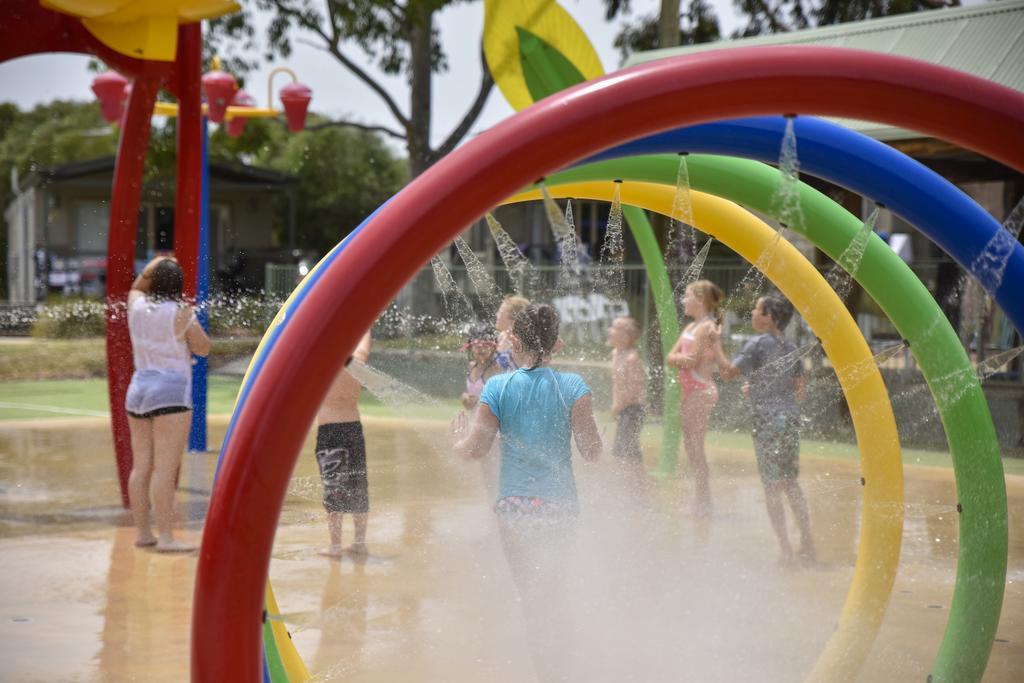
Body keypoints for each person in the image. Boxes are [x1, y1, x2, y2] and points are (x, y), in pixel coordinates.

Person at [448, 303, 602, 682]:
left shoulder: (498, 386)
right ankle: (559, 672)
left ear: (513, 340)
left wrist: (456, 443)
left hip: (514, 507)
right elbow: (592, 452)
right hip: (561, 505)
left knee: (531, 597)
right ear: (557, 344)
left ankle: (544, 673)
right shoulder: (574, 388)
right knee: (554, 591)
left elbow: (475, 450)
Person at [715, 295, 816, 566]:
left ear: (769, 316)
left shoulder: (756, 343)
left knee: (772, 487)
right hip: (790, 419)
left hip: (768, 423)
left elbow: (726, 373)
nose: (752, 312)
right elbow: (799, 391)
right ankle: (808, 543)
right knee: (791, 483)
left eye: (757, 309)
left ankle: (785, 549)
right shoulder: (792, 346)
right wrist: (760, 388)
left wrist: (714, 344)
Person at [125, 255, 210, 552]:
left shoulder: (135, 305)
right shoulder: (182, 312)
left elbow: (138, 284)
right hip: (171, 393)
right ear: (178, 284)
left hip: (138, 390)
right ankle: (166, 538)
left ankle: (143, 534)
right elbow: (203, 347)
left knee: (141, 466)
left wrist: (157, 261)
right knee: (165, 469)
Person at [666, 280, 725, 516]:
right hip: (691, 391)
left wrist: (677, 358)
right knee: (690, 447)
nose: (683, 300)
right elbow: (672, 355)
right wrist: (678, 358)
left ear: (699, 300)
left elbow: (689, 360)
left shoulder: (705, 327)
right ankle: (701, 500)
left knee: (696, 447)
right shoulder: (691, 328)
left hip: (701, 390)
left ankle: (704, 502)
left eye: (687, 296)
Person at [315, 330, 372, 558]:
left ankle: (335, 546)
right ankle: (359, 542)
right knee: (358, 485)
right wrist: (365, 325)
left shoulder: (322, 363)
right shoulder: (356, 361)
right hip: (353, 429)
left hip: (330, 432)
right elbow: (364, 347)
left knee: (334, 489)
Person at [607, 316, 648, 491]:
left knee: (628, 452)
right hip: (624, 409)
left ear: (626, 336)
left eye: (615, 328)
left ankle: (637, 487)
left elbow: (634, 389)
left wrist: (618, 406)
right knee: (622, 450)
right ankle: (630, 486)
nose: (610, 330)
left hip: (633, 409)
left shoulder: (632, 358)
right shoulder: (616, 354)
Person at [460, 324, 501, 410]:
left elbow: (500, 401)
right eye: (477, 346)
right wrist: (465, 397)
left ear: (493, 348)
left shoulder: (495, 369)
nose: (481, 349)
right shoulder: (472, 366)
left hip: (491, 421)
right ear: (471, 348)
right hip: (475, 420)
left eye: (485, 346)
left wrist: (478, 401)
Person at [494, 295, 530, 372]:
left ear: (514, 318)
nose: (496, 315)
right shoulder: (501, 337)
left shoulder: (522, 344)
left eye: (500, 312)